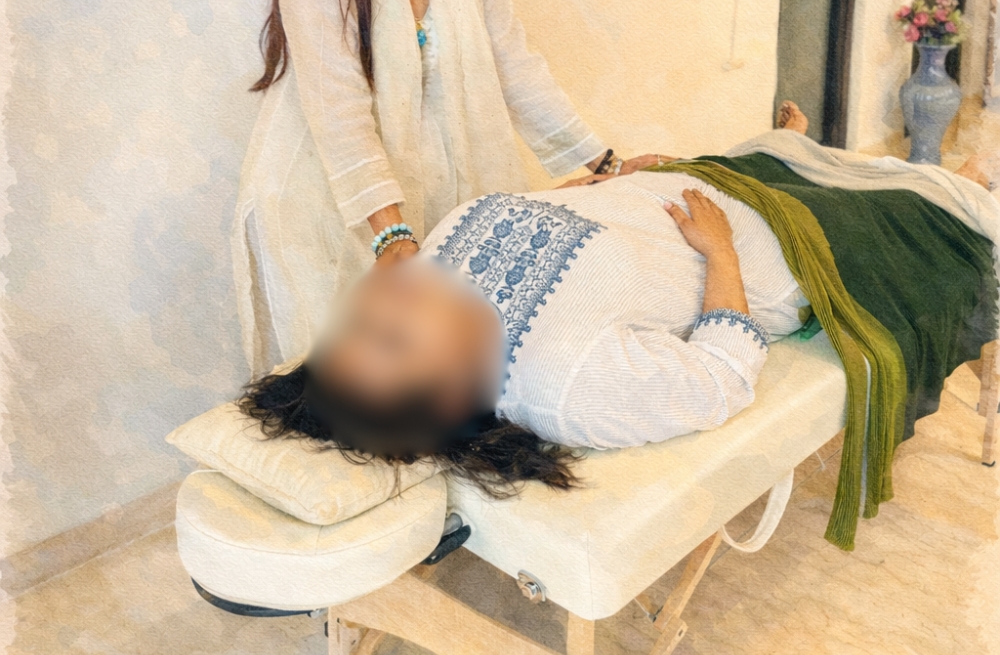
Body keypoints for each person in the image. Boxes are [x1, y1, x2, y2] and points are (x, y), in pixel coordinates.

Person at [238, 102, 999, 501]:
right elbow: (722, 375)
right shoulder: (567, 383)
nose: (388, 300)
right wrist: (721, 252)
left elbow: (539, 206)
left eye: (362, 320)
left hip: (680, 184)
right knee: (928, 208)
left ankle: (810, 149)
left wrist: (604, 184)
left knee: (784, 153)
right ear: (447, 393)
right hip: (785, 245)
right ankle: (965, 181)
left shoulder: (433, 264)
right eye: (393, 338)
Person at [234, 0, 649, 376]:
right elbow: (338, 106)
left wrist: (605, 166)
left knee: (450, 379)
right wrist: (389, 235)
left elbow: (516, 69)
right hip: (332, 204)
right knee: (352, 391)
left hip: (443, 190)